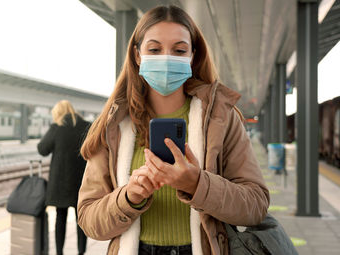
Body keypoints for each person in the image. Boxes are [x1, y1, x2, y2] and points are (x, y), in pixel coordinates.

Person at [78, 5, 269, 255]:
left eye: (179, 50)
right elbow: (88, 219)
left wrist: (198, 184)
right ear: (137, 55)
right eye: (154, 49)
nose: (166, 58)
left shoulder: (221, 118)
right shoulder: (114, 124)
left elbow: (256, 204)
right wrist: (128, 197)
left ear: (192, 56)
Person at [37, 100, 89, 255]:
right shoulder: (87, 126)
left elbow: (42, 149)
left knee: (60, 217)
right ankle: (81, 252)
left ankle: (59, 252)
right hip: (81, 180)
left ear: (58, 114)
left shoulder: (57, 127)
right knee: (81, 219)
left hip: (60, 182)